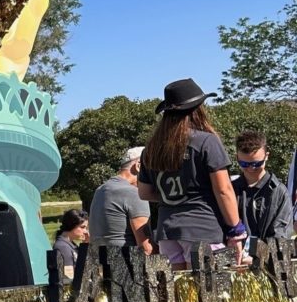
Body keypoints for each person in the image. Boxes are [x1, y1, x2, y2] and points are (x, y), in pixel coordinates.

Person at [137, 78, 246, 267]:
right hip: (204, 229)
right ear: (197, 109)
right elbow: (223, 190)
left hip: (167, 232)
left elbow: (144, 192)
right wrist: (236, 231)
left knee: (181, 294)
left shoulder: (151, 149)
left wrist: (176, 198)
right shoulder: (206, 142)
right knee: (214, 293)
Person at [87, 146, 153, 254]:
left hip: (103, 263)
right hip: (126, 263)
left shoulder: (99, 190)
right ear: (138, 166)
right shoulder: (134, 193)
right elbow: (146, 248)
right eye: (152, 169)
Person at [232, 130, 291, 245]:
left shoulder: (279, 192)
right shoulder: (231, 190)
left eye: (257, 164)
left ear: (266, 156)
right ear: (237, 158)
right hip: (236, 259)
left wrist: (256, 255)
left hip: (268, 260)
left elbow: (281, 235)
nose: (251, 168)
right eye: (244, 164)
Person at [52, 208, 88, 281]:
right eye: (82, 227)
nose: (85, 231)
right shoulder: (63, 247)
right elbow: (68, 279)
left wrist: (86, 244)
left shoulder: (70, 244)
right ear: (72, 225)